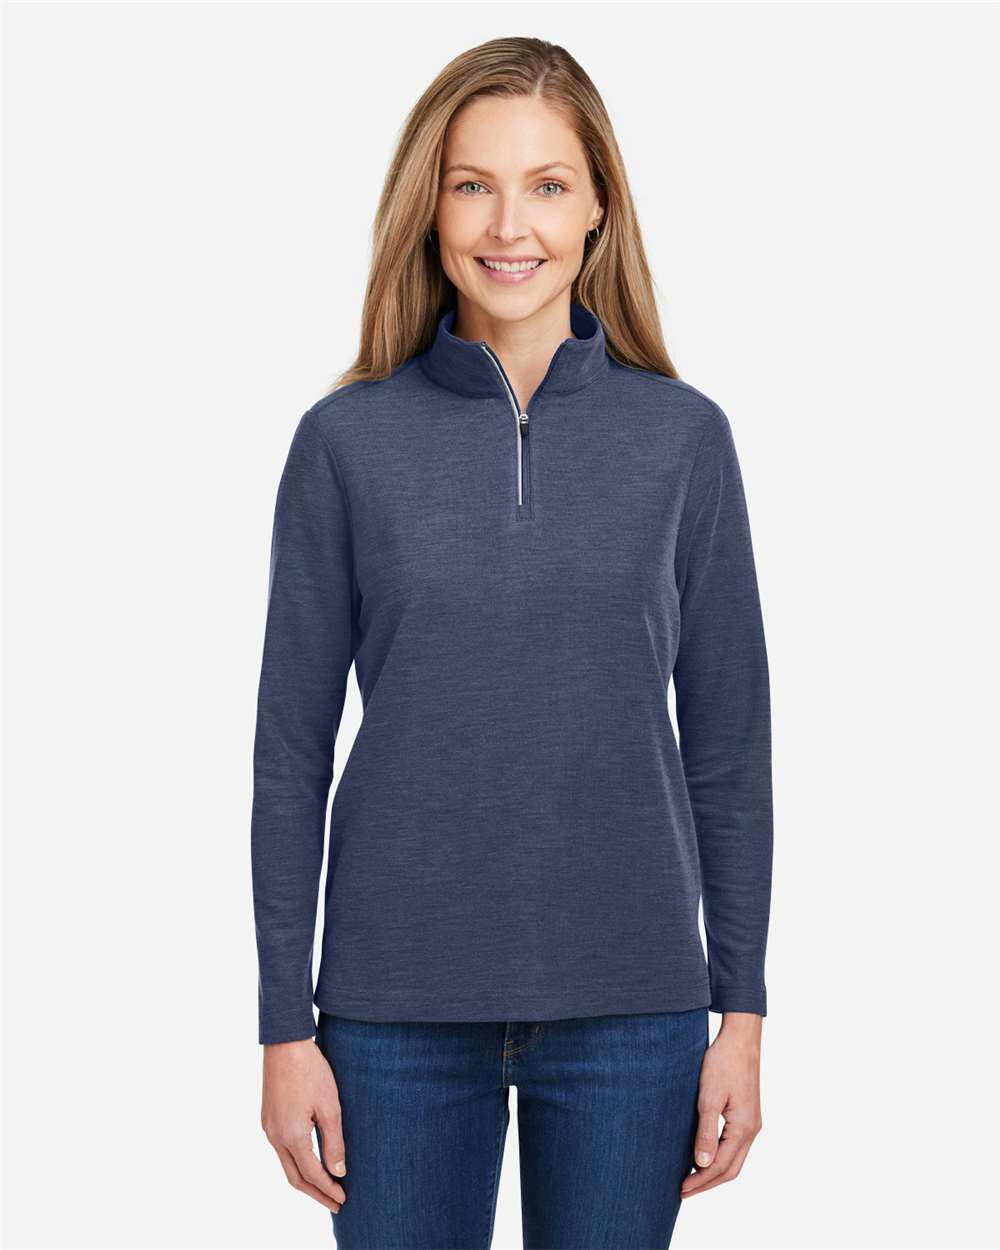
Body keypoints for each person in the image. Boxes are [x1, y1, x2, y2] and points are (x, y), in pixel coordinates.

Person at [251, 36, 773, 1250]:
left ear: (598, 207)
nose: (507, 224)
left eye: (546, 184)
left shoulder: (684, 441)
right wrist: (283, 1026)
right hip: (388, 1015)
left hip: (633, 1011)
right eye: (471, 183)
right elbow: (289, 753)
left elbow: (729, 749)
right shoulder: (344, 442)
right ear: (428, 207)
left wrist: (740, 1013)